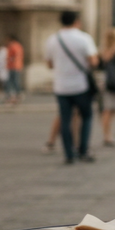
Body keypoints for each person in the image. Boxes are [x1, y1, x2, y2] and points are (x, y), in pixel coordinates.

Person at [44, 11, 99, 164]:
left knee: (65, 119)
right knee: (86, 117)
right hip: (81, 85)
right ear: (77, 21)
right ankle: (83, 150)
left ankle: (69, 154)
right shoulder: (84, 38)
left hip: (61, 86)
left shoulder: (52, 39)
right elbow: (94, 62)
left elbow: (49, 64)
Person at [4, 34, 24, 105]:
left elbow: (13, 56)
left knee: (11, 81)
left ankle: (11, 95)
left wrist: (10, 61)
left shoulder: (12, 46)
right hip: (17, 66)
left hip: (13, 66)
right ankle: (17, 95)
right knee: (15, 81)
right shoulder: (19, 45)